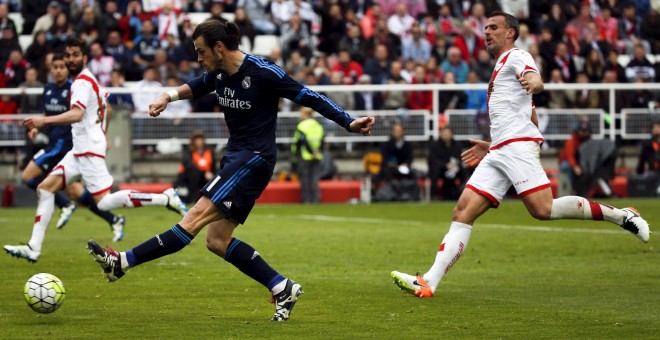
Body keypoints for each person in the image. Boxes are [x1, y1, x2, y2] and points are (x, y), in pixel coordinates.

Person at [86, 20, 375, 322]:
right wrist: (166, 96)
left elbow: (309, 95)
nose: (199, 59)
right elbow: (198, 85)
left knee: (192, 218)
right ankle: (281, 286)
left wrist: (348, 121)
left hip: (253, 159)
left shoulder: (264, 72)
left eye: (201, 52)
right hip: (236, 157)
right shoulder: (219, 72)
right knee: (217, 241)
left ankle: (122, 262)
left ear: (219, 48)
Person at [391, 12, 650, 299]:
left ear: (510, 33)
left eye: (493, 27)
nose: (486, 32)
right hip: (501, 149)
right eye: (485, 27)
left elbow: (534, 79)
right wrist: (492, 145)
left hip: (515, 148)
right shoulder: (500, 66)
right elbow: (530, 114)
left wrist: (534, 84)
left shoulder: (516, 56)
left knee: (543, 210)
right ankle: (428, 281)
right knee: (462, 211)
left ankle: (622, 215)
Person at [4, 38, 189, 263]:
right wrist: (103, 133)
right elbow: (108, 110)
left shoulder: (81, 83)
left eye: (75, 55)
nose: (70, 59)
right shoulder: (92, 80)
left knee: (104, 202)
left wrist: (43, 121)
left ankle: (165, 198)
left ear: (84, 58)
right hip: (81, 149)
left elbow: (77, 114)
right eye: (67, 55)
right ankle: (33, 248)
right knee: (45, 188)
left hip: (88, 151)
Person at [17, 53, 124, 237]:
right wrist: (36, 128)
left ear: (67, 69)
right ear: (50, 69)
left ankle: (62, 208)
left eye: (62, 67)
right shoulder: (48, 89)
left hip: (66, 146)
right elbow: (46, 115)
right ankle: (113, 219)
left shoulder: (76, 88)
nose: (58, 71)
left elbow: (102, 109)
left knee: (28, 177)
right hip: (54, 144)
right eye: (55, 67)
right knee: (76, 192)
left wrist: (102, 134)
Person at [292, 107, 324, 204]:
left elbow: (302, 141)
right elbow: (322, 141)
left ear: (306, 114)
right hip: (317, 155)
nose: (300, 116)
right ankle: (316, 199)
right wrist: (317, 151)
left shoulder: (302, 126)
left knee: (305, 178)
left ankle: (306, 200)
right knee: (315, 179)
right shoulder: (318, 125)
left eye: (301, 114)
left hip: (305, 155)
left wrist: (296, 155)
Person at [175, 130, 216, 203]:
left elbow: (213, 167)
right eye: (196, 139)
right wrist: (204, 173)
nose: (198, 141)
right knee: (194, 173)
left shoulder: (209, 152)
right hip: (188, 180)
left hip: (205, 179)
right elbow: (189, 167)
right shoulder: (188, 152)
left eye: (200, 139)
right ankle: (192, 198)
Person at [427, 126, 464, 200]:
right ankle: (434, 195)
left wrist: (454, 165)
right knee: (435, 169)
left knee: (464, 170)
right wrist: (446, 165)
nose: (446, 135)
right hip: (440, 169)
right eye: (444, 133)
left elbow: (459, 159)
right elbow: (432, 160)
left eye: (448, 133)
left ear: (452, 134)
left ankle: (462, 192)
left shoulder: (457, 145)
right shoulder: (435, 145)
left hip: (453, 169)